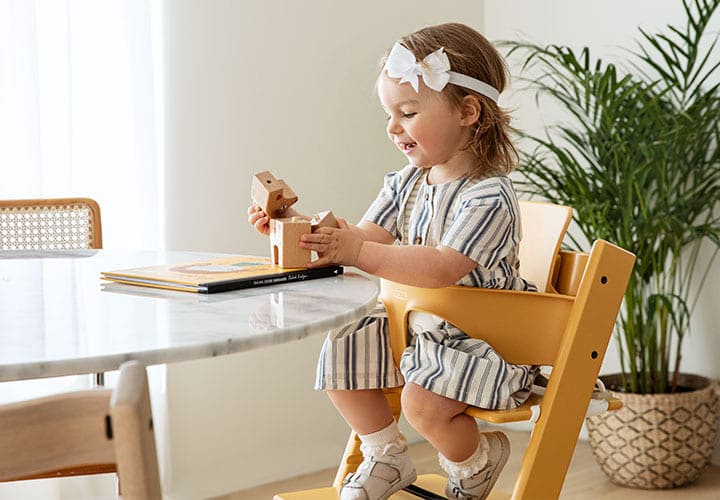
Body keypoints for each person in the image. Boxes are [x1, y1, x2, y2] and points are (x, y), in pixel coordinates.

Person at [248, 22, 537, 500]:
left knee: (422, 404)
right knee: (343, 350)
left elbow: (443, 265)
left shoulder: (488, 195)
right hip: (422, 331)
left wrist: (357, 251)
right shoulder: (407, 181)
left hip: (484, 340)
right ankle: (386, 455)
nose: (393, 127)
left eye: (407, 112)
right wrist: (297, 226)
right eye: (389, 114)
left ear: (468, 111)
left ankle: (475, 463)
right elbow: (362, 237)